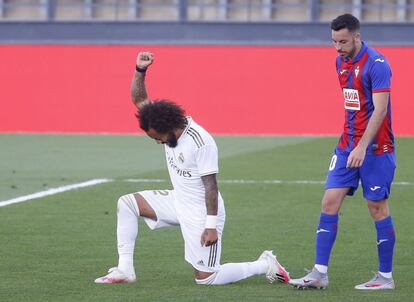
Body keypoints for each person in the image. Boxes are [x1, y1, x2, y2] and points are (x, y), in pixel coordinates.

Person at [94, 51, 290, 285]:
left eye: (158, 138)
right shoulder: (162, 124)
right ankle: (125, 270)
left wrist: (210, 227)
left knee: (206, 279)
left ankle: (264, 264)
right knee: (126, 203)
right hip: (178, 201)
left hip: (201, 212)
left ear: (168, 127)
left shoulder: (201, 142)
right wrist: (140, 70)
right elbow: (139, 100)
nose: (158, 142)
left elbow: (211, 187)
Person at [289, 13, 396, 290]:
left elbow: (380, 109)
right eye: (334, 41)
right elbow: (353, 106)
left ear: (357, 36)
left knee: (377, 207)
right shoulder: (340, 62)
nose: (338, 47)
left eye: (343, 41)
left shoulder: (377, 64)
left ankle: (385, 278)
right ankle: (319, 274)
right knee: (329, 201)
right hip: (347, 146)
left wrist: (363, 145)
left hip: (376, 148)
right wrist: (351, 143)